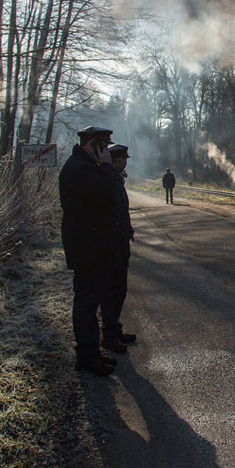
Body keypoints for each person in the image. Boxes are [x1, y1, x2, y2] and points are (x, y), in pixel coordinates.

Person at [58, 126, 127, 376]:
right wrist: (107, 166)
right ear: (92, 144)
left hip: (93, 246)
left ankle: (91, 353)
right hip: (87, 248)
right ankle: (87, 357)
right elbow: (104, 192)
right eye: (104, 145)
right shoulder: (79, 169)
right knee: (87, 304)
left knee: (91, 301)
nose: (107, 150)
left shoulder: (85, 166)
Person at [102, 144, 137, 353]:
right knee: (113, 291)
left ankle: (114, 329)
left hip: (119, 241)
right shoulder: (109, 179)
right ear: (117, 160)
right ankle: (110, 335)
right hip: (113, 244)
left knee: (118, 290)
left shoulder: (114, 178)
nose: (125, 161)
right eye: (124, 158)